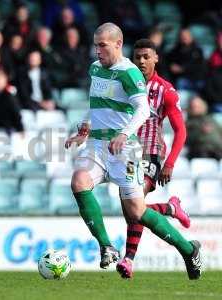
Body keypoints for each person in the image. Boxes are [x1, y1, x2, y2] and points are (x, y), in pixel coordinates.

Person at [64, 23, 201, 280]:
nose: (97, 51)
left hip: (125, 150)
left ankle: (188, 249)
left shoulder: (129, 73)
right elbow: (96, 105)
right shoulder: (95, 69)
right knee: (79, 181)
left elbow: (142, 111)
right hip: (97, 145)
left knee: (136, 212)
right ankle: (107, 247)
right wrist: (84, 128)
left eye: (102, 45)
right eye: (95, 45)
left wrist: (124, 134)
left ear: (118, 44)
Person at [116, 38, 190, 279]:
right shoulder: (125, 84)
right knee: (131, 209)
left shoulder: (165, 90)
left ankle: (128, 259)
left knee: (135, 203)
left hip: (151, 150)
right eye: (137, 57)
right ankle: (170, 207)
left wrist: (169, 163)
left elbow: (181, 130)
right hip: (129, 151)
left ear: (156, 58)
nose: (141, 61)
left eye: (146, 57)